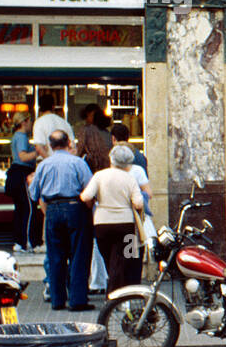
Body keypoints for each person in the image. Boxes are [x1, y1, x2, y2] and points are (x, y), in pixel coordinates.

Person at [31, 130, 94, 311]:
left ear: (50, 145)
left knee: (56, 256)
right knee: (79, 255)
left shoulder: (43, 165)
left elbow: (34, 193)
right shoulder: (77, 163)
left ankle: (57, 300)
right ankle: (77, 300)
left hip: (53, 209)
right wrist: (89, 208)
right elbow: (89, 190)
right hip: (75, 207)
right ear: (68, 143)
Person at [81, 145, 145, 293]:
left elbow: (86, 196)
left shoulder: (99, 175)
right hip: (126, 225)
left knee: (110, 262)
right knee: (124, 261)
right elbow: (138, 203)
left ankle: (116, 293)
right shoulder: (130, 179)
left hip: (102, 224)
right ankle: (117, 295)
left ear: (111, 159)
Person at [5, 115, 39, 251]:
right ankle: (27, 241)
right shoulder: (21, 137)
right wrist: (38, 151)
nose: (31, 123)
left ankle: (19, 241)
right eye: (30, 120)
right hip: (22, 173)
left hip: (16, 175)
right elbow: (23, 156)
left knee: (20, 209)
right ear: (24, 122)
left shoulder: (17, 136)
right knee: (28, 208)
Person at [111, 122, 152, 216]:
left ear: (113, 138)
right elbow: (147, 190)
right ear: (128, 137)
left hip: (119, 207)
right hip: (138, 207)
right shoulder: (140, 156)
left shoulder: (113, 156)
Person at [77, 105, 113, 173]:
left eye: (89, 115)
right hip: (108, 168)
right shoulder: (107, 132)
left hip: (95, 168)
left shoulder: (86, 130)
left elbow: (79, 150)